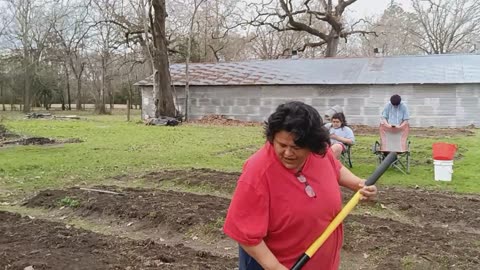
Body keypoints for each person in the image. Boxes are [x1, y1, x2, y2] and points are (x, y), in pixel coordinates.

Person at [223, 101, 377, 270]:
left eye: (296, 147)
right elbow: (245, 234)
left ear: (312, 145)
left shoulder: (319, 152)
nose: (288, 153)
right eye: (282, 145)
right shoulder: (257, 173)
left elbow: (335, 168)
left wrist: (358, 184)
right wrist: (275, 267)